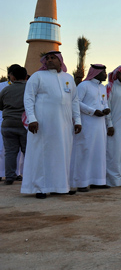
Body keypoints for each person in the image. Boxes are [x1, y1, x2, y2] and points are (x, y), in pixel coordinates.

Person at [21, 52, 81, 199]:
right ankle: (40, 187)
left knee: (62, 155)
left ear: (60, 61)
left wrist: (78, 120)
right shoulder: (37, 76)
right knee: (42, 155)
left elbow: (74, 101)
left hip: (64, 125)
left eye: (52, 58)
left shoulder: (68, 78)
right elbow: (28, 98)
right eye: (47, 58)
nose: (49, 61)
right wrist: (32, 119)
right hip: (43, 125)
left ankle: (60, 187)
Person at [71, 64, 112, 192]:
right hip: (87, 123)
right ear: (96, 72)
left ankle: (98, 181)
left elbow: (104, 102)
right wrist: (92, 111)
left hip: (100, 125)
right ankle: (82, 183)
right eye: (104, 72)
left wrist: (106, 111)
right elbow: (76, 101)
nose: (106, 75)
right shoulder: (84, 85)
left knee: (99, 152)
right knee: (86, 151)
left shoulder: (102, 87)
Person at [0, 65, 28, 185]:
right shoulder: (28, 89)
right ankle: (28, 175)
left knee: (10, 151)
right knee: (27, 151)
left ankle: (10, 177)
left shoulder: (5, 90)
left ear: (13, 76)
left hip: (8, 123)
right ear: (25, 76)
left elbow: (0, 106)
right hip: (25, 124)